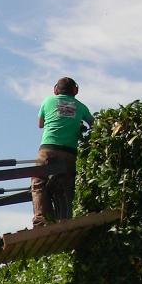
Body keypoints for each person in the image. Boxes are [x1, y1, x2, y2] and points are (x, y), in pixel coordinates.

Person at [31, 77, 94, 227]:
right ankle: (67, 219)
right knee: (67, 185)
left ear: (55, 90)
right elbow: (94, 124)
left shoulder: (47, 101)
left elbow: (40, 124)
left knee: (38, 181)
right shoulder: (81, 107)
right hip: (70, 153)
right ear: (75, 91)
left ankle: (40, 219)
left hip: (48, 149)